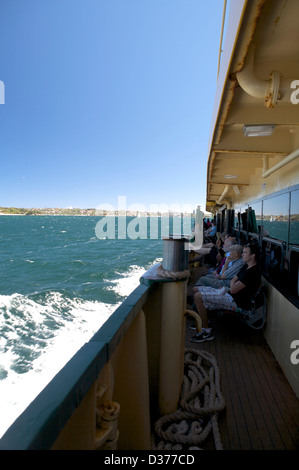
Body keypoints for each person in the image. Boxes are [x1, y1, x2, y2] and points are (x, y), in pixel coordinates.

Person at [190, 243, 261, 343]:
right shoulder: (246, 267)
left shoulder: (252, 272)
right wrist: (234, 284)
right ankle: (204, 320)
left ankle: (206, 331)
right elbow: (234, 281)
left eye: (245, 253)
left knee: (198, 296)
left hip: (235, 301)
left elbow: (233, 290)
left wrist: (233, 285)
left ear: (253, 256)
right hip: (229, 294)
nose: (242, 255)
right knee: (196, 289)